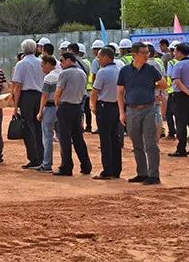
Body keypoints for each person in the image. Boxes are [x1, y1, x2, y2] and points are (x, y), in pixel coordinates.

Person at [117, 43, 166, 185]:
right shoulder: (125, 71)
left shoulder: (151, 69)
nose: (147, 55)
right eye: (144, 53)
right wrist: (122, 112)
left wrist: (153, 85)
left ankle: (154, 175)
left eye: (147, 53)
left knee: (151, 142)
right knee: (136, 143)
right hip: (131, 110)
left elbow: (164, 84)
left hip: (149, 109)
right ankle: (142, 173)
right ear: (134, 55)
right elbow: (120, 92)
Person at [49, 52, 92, 177]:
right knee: (78, 137)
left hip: (65, 106)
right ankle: (86, 165)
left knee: (65, 138)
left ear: (69, 60)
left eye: (62, 61)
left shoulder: (65, 73)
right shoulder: (82, 73)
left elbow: (58, 92)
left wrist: (58, 105)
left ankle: (66, 167)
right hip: (77, 107)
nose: (61, 64)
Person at [11, 39, 44, 170]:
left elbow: (18, 86)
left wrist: (15, 105)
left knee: (28, 127)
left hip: (27, 97)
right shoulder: (41, 62)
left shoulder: (21, 64)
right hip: (40, 95)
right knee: (39, 127)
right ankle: (42, 156)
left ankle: (34, 158)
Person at [90, 46, 121, 179]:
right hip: (117, 107)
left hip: (105, 107)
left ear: (106, 57)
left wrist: (93, 106)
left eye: (100, 57)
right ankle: (116, 169)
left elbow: (95, 91)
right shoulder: (120, 70)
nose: (98, 60)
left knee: (105, 140)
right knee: (115, 139)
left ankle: (107, 170)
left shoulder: (103, 72)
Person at [168, 43, 189, 157]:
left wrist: (188, 93)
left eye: (175, 51)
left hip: (181, 96)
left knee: (181, 123)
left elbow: (177, 82)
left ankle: (181, 148)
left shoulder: (178, 65)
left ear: (180, 52)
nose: (174, 53)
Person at [38, 56, 59, 172]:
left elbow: (45, 95)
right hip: (61, 108)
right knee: (62, 137)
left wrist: (40, 111)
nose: (42, 68)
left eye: (43, 65)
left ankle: (47, 164)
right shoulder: (61, 75)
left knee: (47, 137)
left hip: (50, 108)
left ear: (48, 64)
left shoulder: (49, 77)